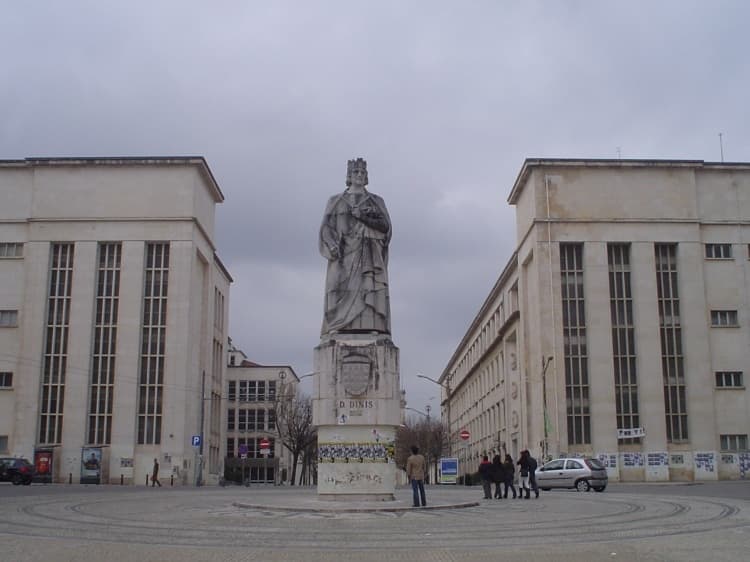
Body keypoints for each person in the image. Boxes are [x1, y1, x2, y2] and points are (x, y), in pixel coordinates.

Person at [319, 158, 392, 336]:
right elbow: (326, 228)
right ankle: (337, 324)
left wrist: (363, 217)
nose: (359, 175)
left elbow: (385, 227)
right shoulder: (335, 201)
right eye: (355, 172)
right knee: (336, 286)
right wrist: (332, 244)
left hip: (368, 253)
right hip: (343, 254)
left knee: (370, 287)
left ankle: (374, 325)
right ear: (349, 176)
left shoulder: (375, 201)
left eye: (362, 173)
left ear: (366, 176)